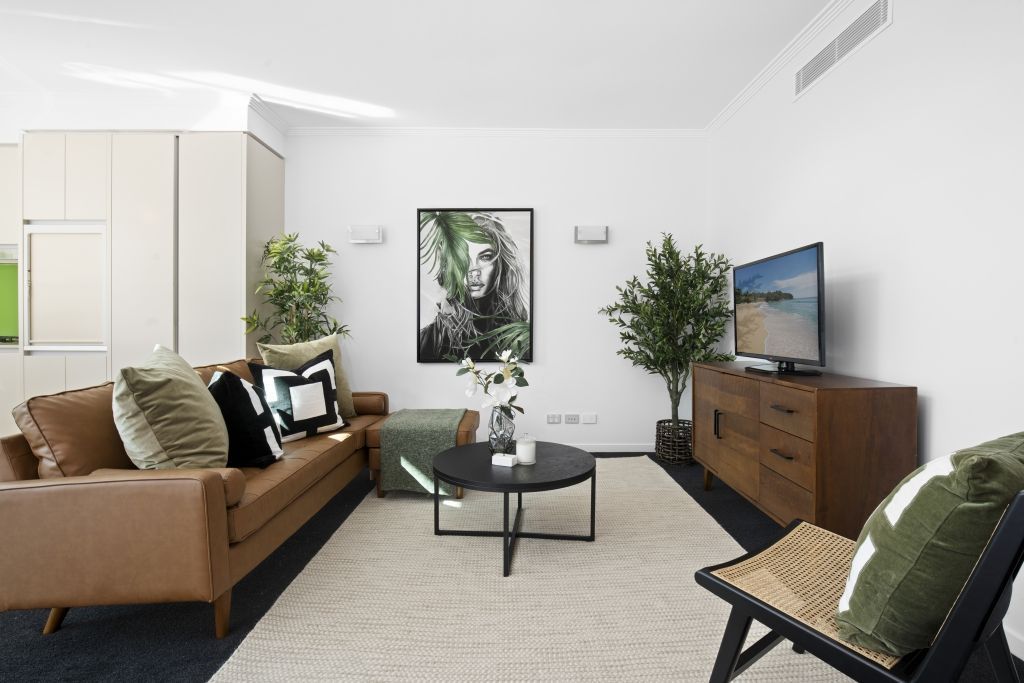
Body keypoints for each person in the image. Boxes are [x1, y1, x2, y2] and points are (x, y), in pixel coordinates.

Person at [419, 213, 529, 361]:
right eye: (463, 259)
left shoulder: (520, 338)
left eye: (485, 257)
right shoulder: (429, 340)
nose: (474, 271)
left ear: (500, 263)